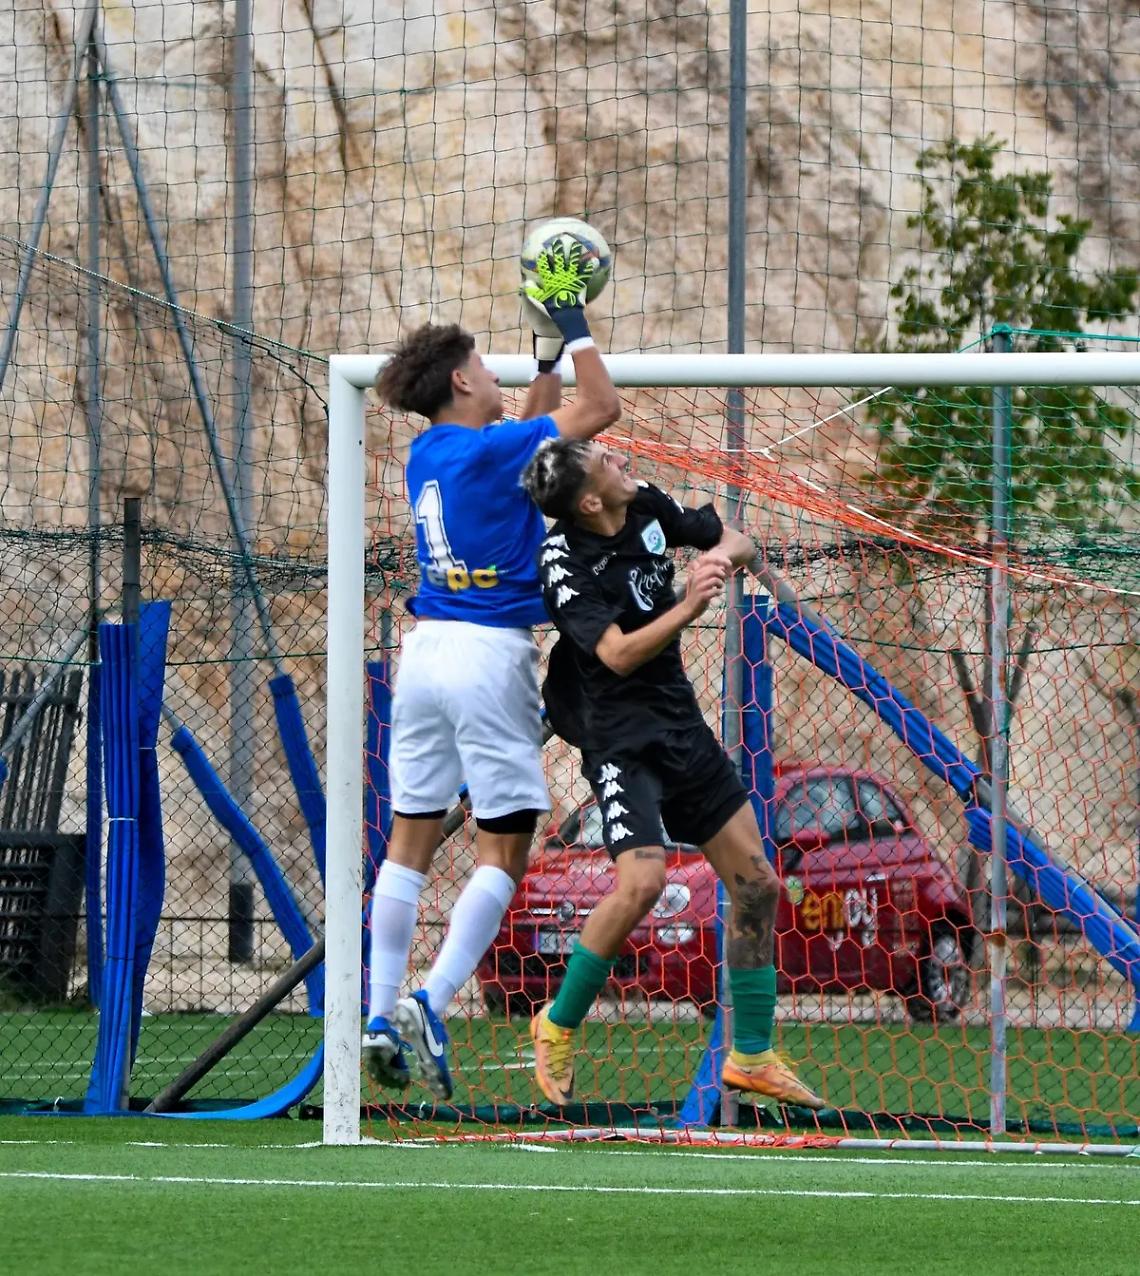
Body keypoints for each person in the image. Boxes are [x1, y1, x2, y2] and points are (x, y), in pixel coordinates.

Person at [362, 237, 621, 1099]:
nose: (496, 371)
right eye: (487, 362)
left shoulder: (432, 454)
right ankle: (433, 1002)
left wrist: (543, 350)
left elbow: (526, 436)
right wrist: (573, 313)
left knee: (407, 841)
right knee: (503, 851)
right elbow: (602, 405)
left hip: (424, 653)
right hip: (487, 653)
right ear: (465, 381)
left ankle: (376, 1009)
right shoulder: (488, 451)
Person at [519, 437, 825, 1110]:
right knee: (644, 884)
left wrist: (720, 558)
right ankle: (557, 1022)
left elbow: (735, 540)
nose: (622, 460)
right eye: (606, 462)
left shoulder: (648, 506)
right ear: (589, 500)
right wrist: (689, 604)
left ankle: (751, 1057)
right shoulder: (563, 561)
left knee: (758, 886)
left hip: (682, 730)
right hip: (618, 742)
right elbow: (618, 654)